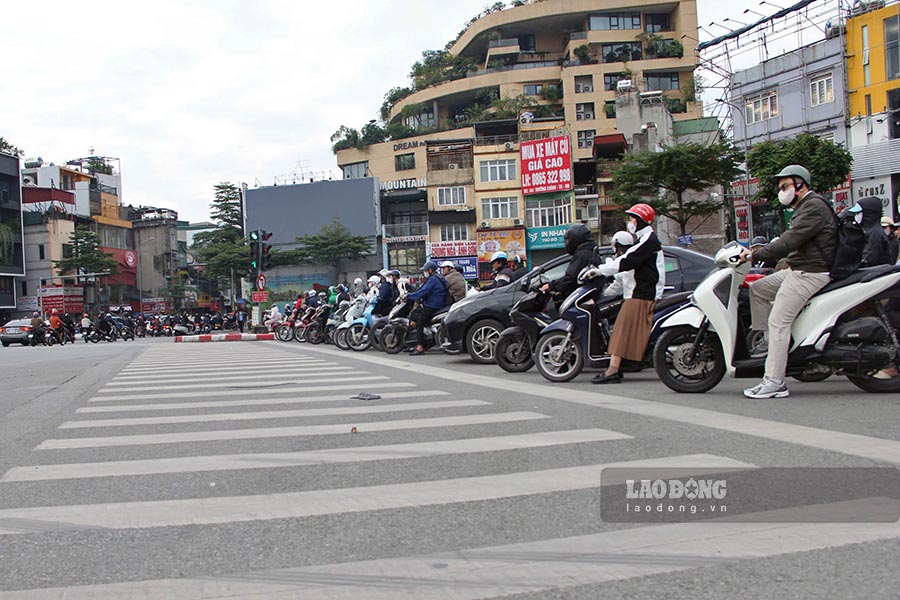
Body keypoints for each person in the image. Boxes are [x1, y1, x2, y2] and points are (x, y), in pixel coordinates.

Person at [740, 165, 837, 399]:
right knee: (759, 289)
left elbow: (789, 241)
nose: (781, 191)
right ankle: (768, 343)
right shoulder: (803, 207)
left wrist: (755, 254)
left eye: (785, 186)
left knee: (778, 321)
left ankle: (775, 381)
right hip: (797, 269)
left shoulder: (813, 207)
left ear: (801, 184)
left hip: (810, 273)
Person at [593, 203, 665, 384]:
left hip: (641, 295)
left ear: (640, 221)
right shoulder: (645, 240)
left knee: (620, 331)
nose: (630, 222)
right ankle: (615, 368)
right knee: (621, 330)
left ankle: (612, 371)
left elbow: (625, 261)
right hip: (638, 293)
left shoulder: (648, 241)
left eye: (633, 219)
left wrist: (600, 271)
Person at [540, 223, 598, 300]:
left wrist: (550, 286)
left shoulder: (582, 254)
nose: (566, 243)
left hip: (584, 298)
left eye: (568, 240)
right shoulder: (588, 251)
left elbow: (570, 278)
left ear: (575, 239)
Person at [404, 261, 448, 355]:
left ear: (430, 270)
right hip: (437, 303)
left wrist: (409, 296)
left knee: (419, 323)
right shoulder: (436, 278)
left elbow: (423, 291)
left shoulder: (433, 280)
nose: (424, 272)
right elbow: (421, 289)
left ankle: (420, 347)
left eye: (425, 270)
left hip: (433, 305)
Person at [848, 197, 892, 267]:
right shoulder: (868, 231)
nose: (856, 216)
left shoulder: (875, 233)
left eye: (858, 213)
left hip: (876, 274)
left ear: (868, 213)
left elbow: (868, 259)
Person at [602, 231, 636, 297]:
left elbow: (619, 282)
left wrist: (605, 295)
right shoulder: (633, 256)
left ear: (617, 245)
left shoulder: (626, 260)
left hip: (632, 297)